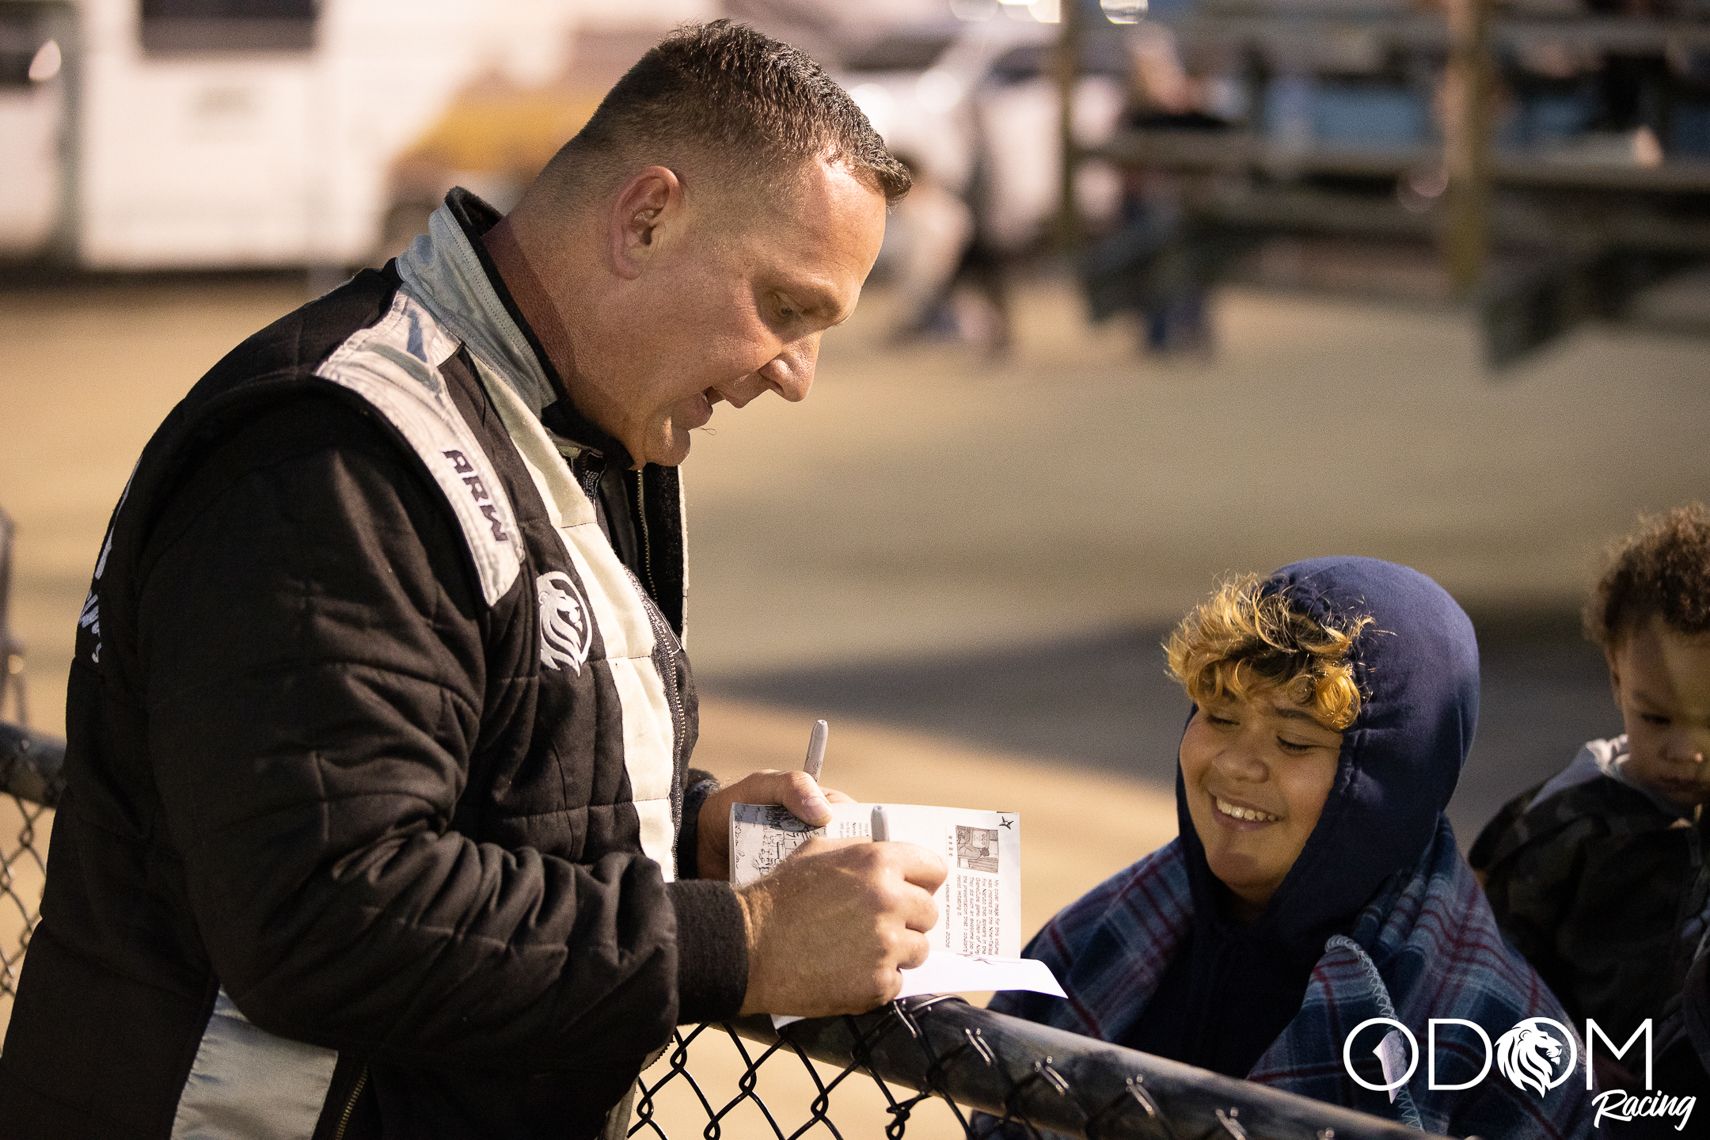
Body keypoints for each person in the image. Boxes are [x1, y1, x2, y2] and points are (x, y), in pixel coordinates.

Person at [0, 21, 947, 1139]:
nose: (796, 375)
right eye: (787, 308)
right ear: (646, 219)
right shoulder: (336, 456)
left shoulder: (540, 415)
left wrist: (674, 827)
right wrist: (740, 939)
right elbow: (327, 908)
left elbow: (448, 770)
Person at [990, 557, 1593, 1137]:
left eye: (1294, 741)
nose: (1237, 765)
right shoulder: (1095, 940)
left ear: (1397, 780)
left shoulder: (1486, 1039)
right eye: (1220, 719)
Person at [1470, 504, 1710, 1060]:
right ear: (1617, 677)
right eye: (1656, 719)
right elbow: (1486, 980)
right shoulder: (1563, 828)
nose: (1688, 751)